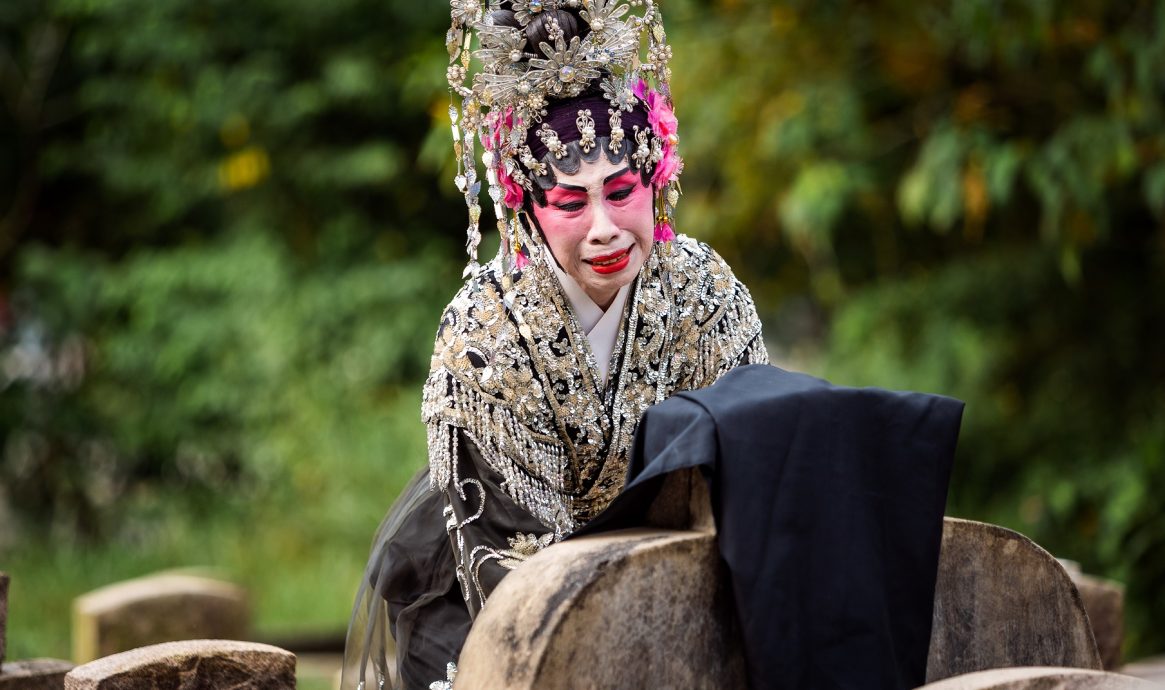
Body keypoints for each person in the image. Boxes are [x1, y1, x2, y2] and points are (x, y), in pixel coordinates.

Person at [342, 3, 962, 689]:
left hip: (676, 588)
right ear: (526, 210)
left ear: (657, 178)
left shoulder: (704, 290)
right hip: (502, 601)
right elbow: (509, 561)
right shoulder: (484, 329)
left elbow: (754, 473)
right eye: (571, 204)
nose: (604, 228)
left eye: (620, 191)